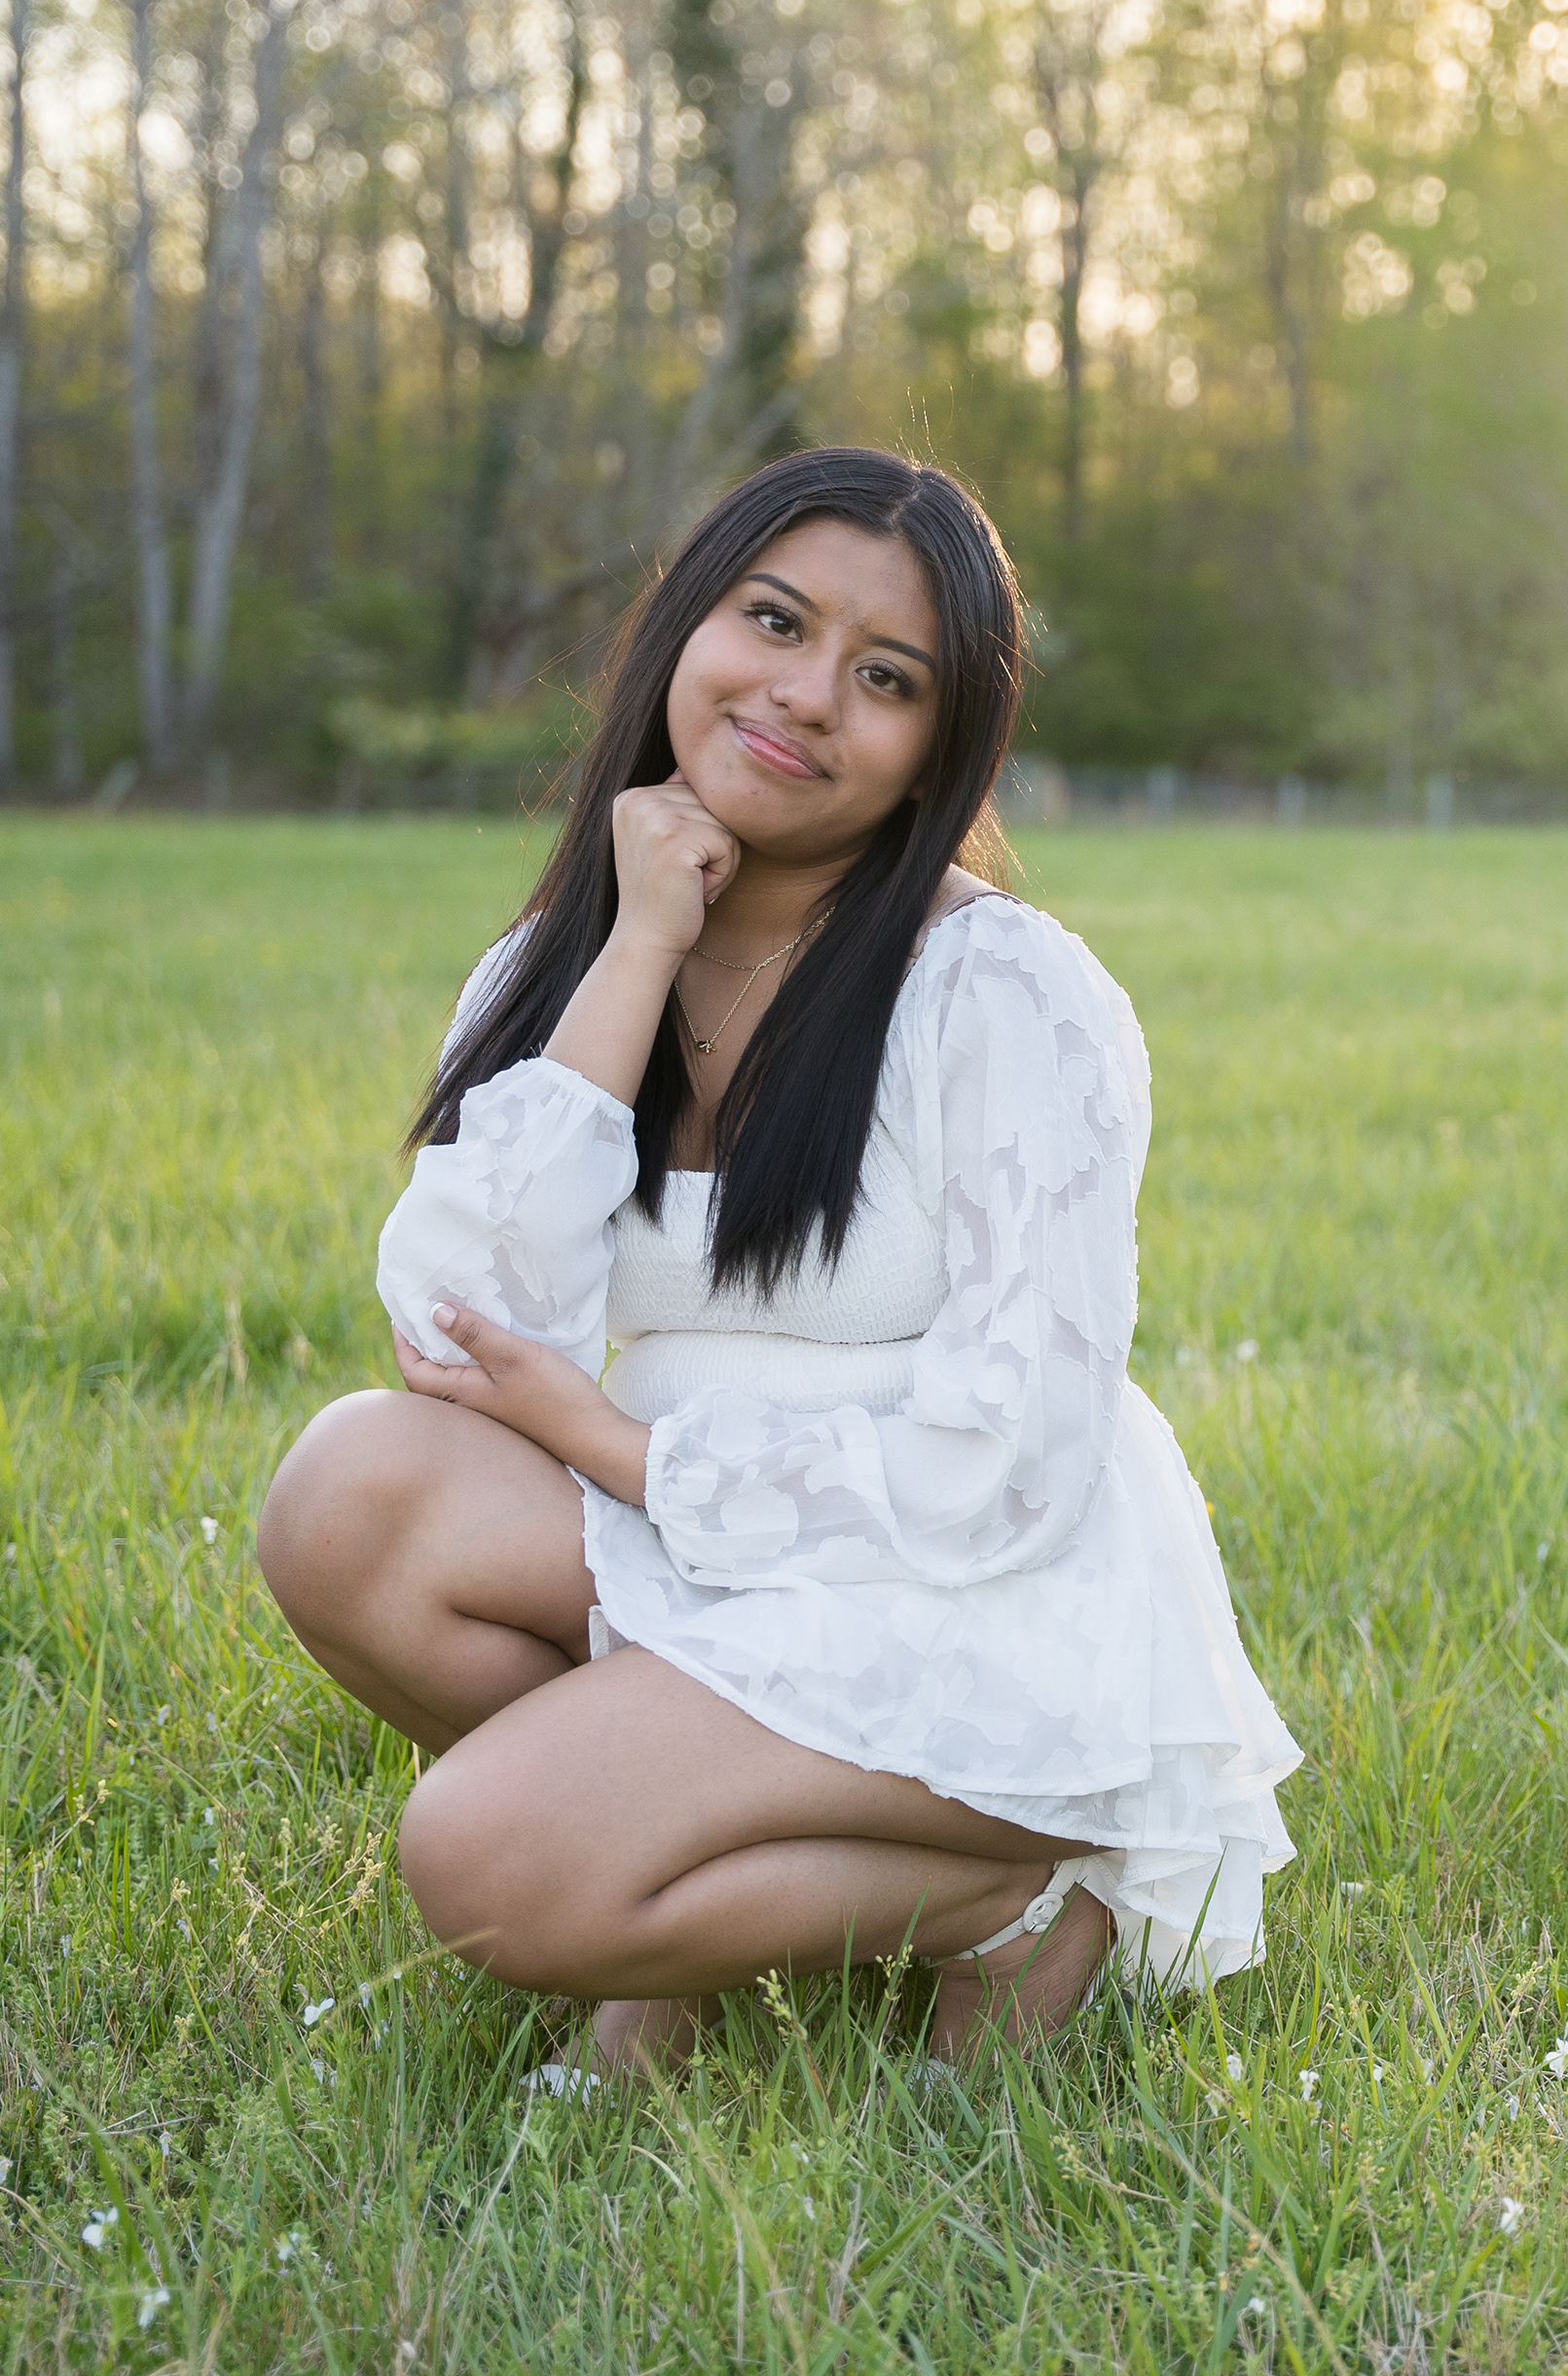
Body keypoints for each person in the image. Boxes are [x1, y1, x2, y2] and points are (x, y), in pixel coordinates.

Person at [255, 448, 1299, 2074]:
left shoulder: (1004, 993)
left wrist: (623, 1452)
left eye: (887, 679)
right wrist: (640, 942)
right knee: (347, 1495)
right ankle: (667, 1910)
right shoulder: (562, 965)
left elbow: (1011, 1463)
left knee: (481, 1862)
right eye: (776, 621)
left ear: (941, 747)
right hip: (723, 1557)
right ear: (687, 621)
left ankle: (1012, 1901)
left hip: (975, 1595)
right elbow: (464, 1326)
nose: (808, 695)